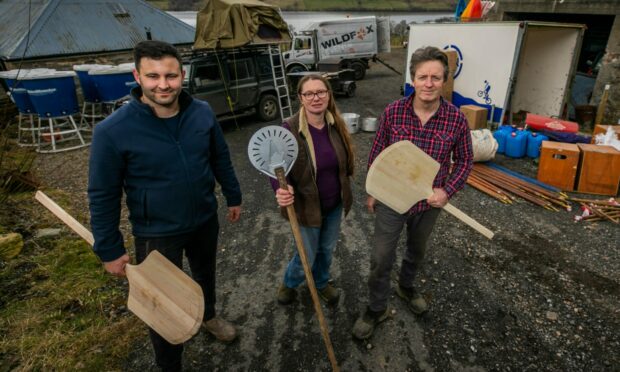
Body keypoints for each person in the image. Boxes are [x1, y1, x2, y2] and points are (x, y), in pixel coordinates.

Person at [88, 40, 242, 371]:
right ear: (137, 75)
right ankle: (169, 364)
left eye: (170, 76)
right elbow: (102, 193)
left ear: (182, 74)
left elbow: (220, 157)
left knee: (205, 275)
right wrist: (109, 248)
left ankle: (209, 317)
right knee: (161, 305)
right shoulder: (112, 131)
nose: (163, 84)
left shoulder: (201, 112)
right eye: (153, 76)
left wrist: (233, 195)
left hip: (203, 219)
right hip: (156, 232)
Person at [352, 46, 473, 340]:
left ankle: (405, 287)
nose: (428, 83)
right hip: (392, 199)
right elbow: (378, 153)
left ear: (444, 80)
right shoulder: (394, 112)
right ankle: (376, 307)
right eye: (422, 77)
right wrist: (374, 190)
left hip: (429, 202)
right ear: (413, 80)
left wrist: (447, 190)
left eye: (435, 77)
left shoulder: (456, 119)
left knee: (416, 251)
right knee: (381, 256)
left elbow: (466, 160)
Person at [273, 74, 355, 306]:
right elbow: (275, 167)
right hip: (306, 206)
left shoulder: (336, 124)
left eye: (320, 92)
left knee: (326, 250)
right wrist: (281, 188)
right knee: (307, 254)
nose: (315, 98)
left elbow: (346, 163)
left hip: (333, 204)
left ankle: (320, 283)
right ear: (300, 98)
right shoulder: (288, 128)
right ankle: (289, 282)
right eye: (309, 93)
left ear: (328, 94)